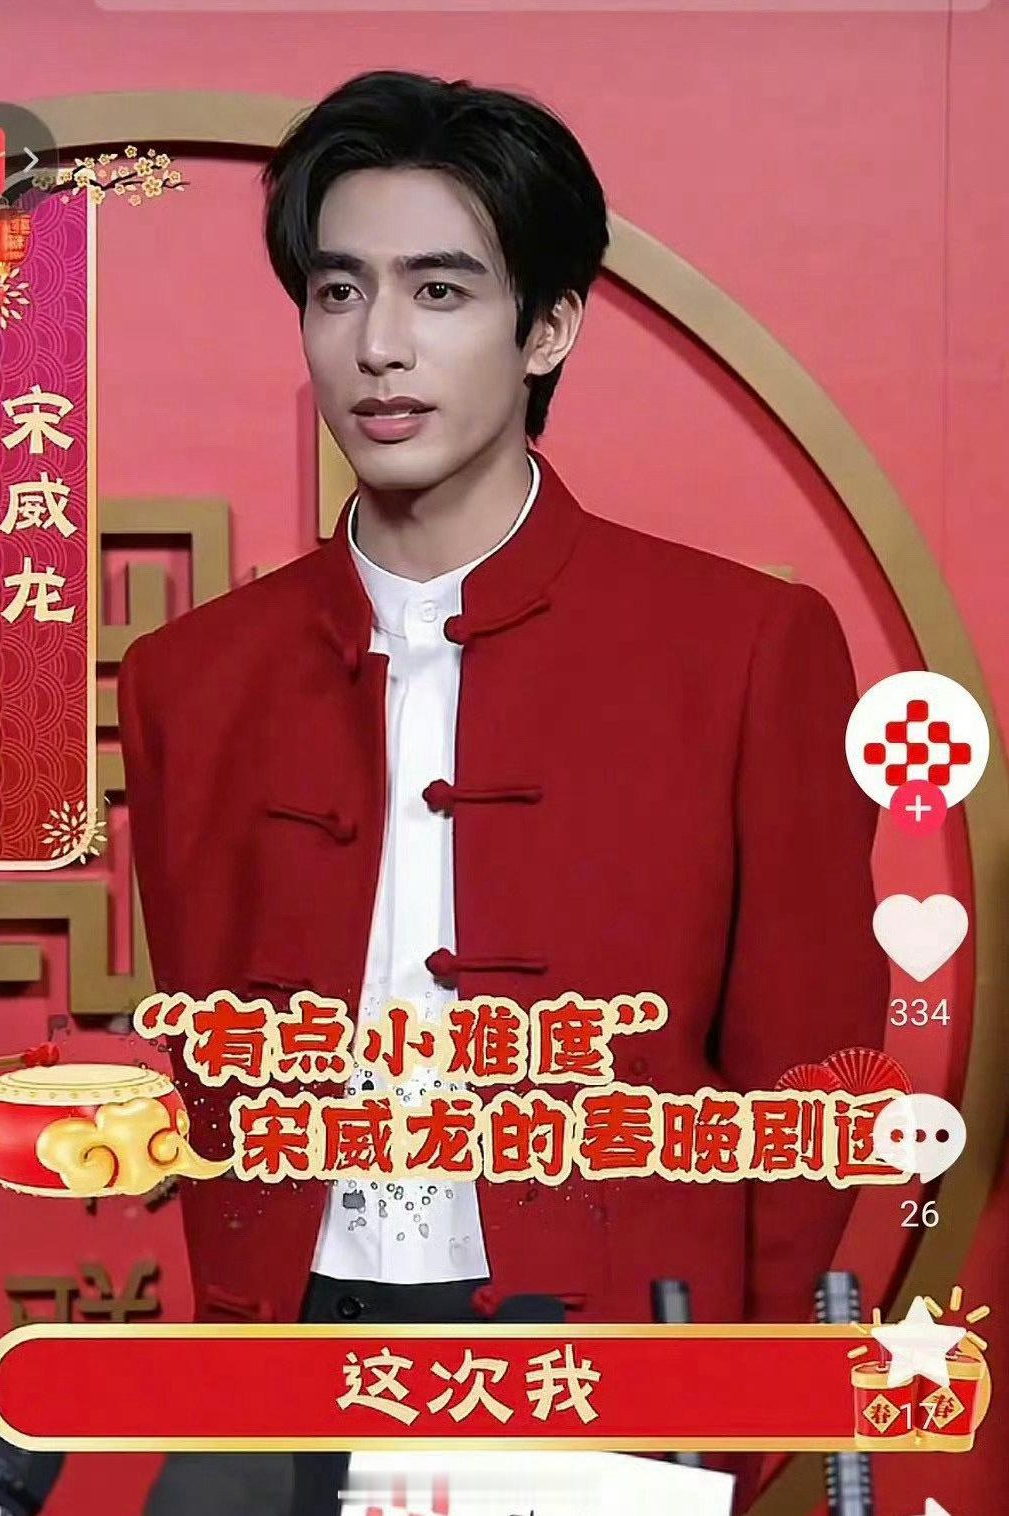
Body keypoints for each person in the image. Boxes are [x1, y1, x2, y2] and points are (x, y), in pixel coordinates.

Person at [120, 68, 888, 1515]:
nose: (380, 346)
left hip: (600, 1365)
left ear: (548, 327)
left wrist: (726, 1409)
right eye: (338, 292)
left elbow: (810, 1087)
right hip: (282, 1353)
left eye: (441, 291)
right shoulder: (188, 680)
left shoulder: (740, 648)